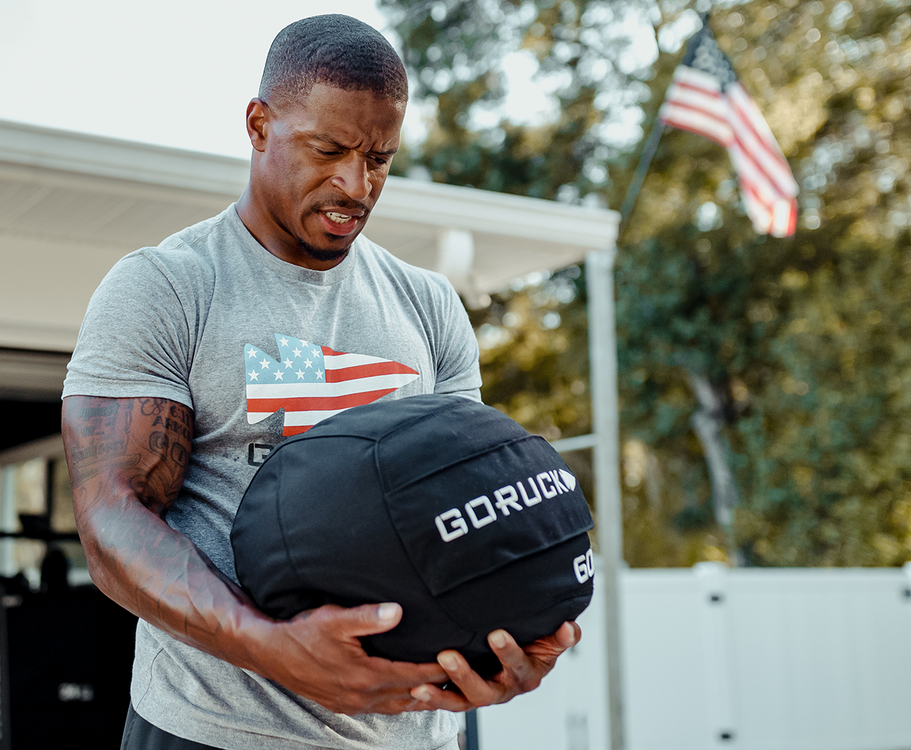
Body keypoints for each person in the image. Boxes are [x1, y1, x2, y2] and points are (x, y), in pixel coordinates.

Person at [60, 14, 580, 750]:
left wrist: (507, 641)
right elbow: (112, 521)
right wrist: (273, 648)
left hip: (418, 734)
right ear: (259, 123)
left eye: (380, 158)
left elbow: (459, 507)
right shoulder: (168, 287)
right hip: (217, 732)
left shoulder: (427, 304)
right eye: (328, 149)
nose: (355, 184)